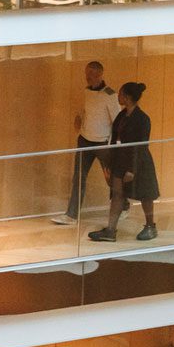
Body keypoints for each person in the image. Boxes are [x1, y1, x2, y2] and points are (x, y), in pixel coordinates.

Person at [89, 81, 160, 243]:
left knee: (146, 195)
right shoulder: (121, 115)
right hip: (120, 160)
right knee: (117, 195)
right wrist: (110, 165)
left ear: (127, 97)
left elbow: (141, 146)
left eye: (120, 94)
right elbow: (115, 140)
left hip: (139, 162)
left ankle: (150, 226)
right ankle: (110, 230)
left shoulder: (143, 119)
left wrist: (132, 169)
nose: (118, 97)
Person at [54, 61, 121, 226]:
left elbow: (118, 121)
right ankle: (72, 214)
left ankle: (123, 205)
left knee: (111, 177)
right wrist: (78, 119)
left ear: (100, 74)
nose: (87, 77)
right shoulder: (86, 91)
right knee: (78, 177)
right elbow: (83, 110)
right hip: (85, 140)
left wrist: (115, 144)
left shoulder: (110, 95)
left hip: (103, 143)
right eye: (86, 74)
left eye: (91, 74)